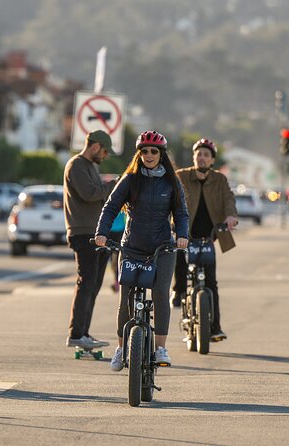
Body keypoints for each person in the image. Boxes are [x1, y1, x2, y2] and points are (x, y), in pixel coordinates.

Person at [94, 130, 189, 371]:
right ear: (139, 154)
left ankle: (160, 348)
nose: (148, 155)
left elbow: (180, 213)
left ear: (161, 154)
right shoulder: (130, 179)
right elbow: (110, 207)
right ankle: (120, 347)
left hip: (162, 248)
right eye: (144, 151)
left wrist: (183, 235)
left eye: (153, 151)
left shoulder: (171, 182)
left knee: (160, 294)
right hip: (132, 247)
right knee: (126, 299)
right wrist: (101, 232)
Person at [171, 138, 238, 341]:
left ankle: (215, 327)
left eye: (206, 155)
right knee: (180, 258)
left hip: (210, 235)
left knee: (211, 282)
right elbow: (170, 198)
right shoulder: (181, 176)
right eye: (199, 154)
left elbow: (229, 200)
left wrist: (231, 217)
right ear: (194, 157)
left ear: (212, 160)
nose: (202, 158)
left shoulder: (220, 180)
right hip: (186, 233)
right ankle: (178, 290)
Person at [63, 129, 117, 350]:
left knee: (94, 284)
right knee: (86, 282)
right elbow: (89, 194)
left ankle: (84, 332)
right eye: (104, 152)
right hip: (83, 233)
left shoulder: (91, 167)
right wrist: (114, 185)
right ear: (95, 147)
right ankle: (76, 334)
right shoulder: (76, 165)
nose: (104, 156)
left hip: (97, 234)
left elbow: (97, 192)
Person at [108, 210, 126, 292]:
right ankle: (117, 281)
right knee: (116, 259)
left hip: (114, 231)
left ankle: (117, 282)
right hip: (116, 231)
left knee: (114, 260)